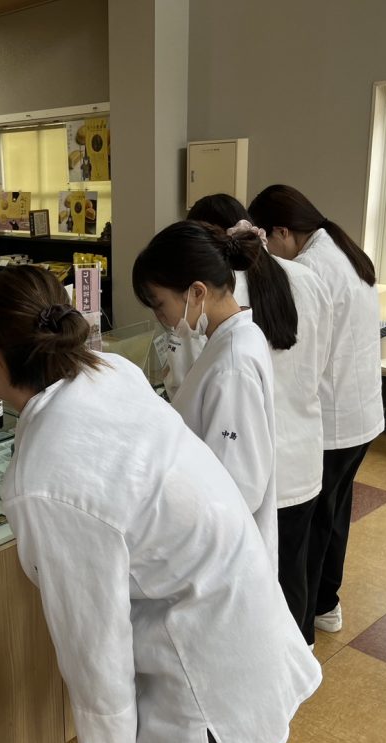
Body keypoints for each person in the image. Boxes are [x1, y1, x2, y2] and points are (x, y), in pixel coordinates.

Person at [0, 267, 320, 743]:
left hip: (203, 670)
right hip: (244, 610)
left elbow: (91, 631)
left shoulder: (45, 478)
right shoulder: (107, 369)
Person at [187, 194, 334, 645]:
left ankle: (283, 667)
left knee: (265, 584)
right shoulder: (307, 278)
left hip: (254, 465)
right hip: (304, 453)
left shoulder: (218, 297)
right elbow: (321, 363)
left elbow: (196, 375)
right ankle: (304, 654)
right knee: (296, 567)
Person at [249, 184, 384, 638]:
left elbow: (301, 354)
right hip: (361, 413)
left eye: (267, 241)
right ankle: (326, 603)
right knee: (335, 513)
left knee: (312, 526)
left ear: (282, 231)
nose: (269, 254)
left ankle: (302, 628)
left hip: (336, 417)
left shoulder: (310, 269)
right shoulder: (345, 251)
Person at [132, 221, 279, 564]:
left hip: (225, 549)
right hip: (217, 540)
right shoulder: (232, 338)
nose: (161, 317)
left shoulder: (232, 363)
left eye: (159, 305)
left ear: (197, 292)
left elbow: (239, 486)